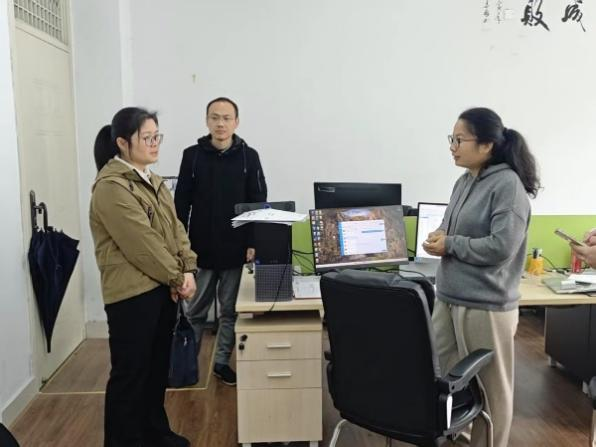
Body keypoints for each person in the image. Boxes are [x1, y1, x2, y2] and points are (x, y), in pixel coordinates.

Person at [423, 107, 540, 447]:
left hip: (485, 305)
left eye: (459, 140)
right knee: (446, 380)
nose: (452, 147)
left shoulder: (507, 186)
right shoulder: (463, 182)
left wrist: (451, 244)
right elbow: (451, 226)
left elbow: (501, 247)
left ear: (486, 145)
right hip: (448, 297)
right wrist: (440, 235)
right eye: (452, 139)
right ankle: (457, 437)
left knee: (491, 390)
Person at [90, 107, 197, 447]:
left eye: (156, 136)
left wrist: (188, 268)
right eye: (146, 138)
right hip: (132, 295)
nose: (154, 144)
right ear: (122, 143)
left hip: (161, 287)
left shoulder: (153, 180)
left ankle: (155, 433)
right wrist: (177, 277)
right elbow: (142, 244)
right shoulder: (111, 187)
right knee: (131, 375)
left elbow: (176, 229)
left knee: (155, 370)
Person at [174, 97, 267, 386]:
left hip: (235, 248)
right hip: (199, 250)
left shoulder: (248, 157)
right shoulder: (192, 156)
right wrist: (180, 247)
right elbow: (181, 204)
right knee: (195, 311)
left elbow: (258, 202)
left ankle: (222, 363)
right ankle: (188, 365)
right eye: (215, 117)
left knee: (229, 311)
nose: (220, 123)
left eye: (226, 118)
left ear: (236, 122)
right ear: (207, 121)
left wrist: (253, 242)